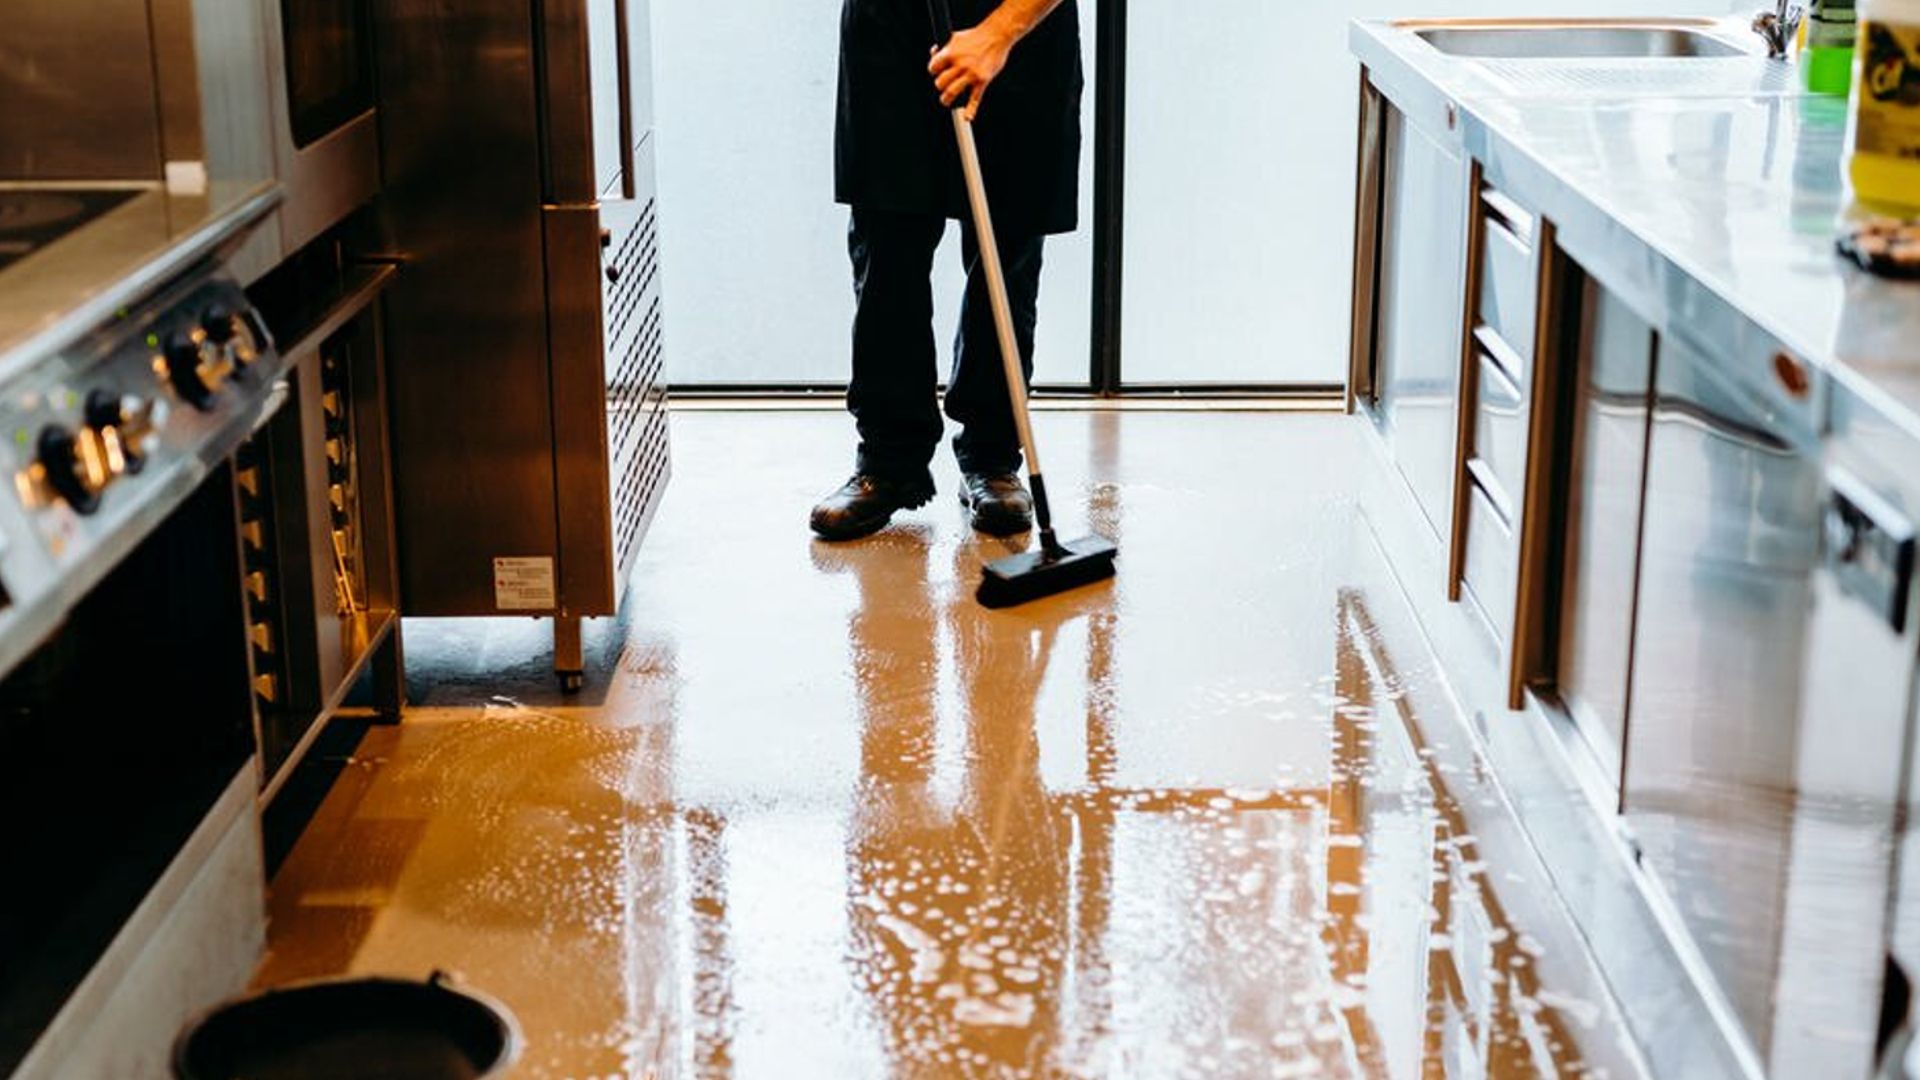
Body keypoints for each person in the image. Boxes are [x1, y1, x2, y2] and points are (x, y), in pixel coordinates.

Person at [810, 0, 1083, 541]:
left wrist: (999, 34)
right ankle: (888, 462)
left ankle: (992, 456)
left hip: (1023, 39)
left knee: (1007, 253)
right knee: (887, 248)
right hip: (893, 35)